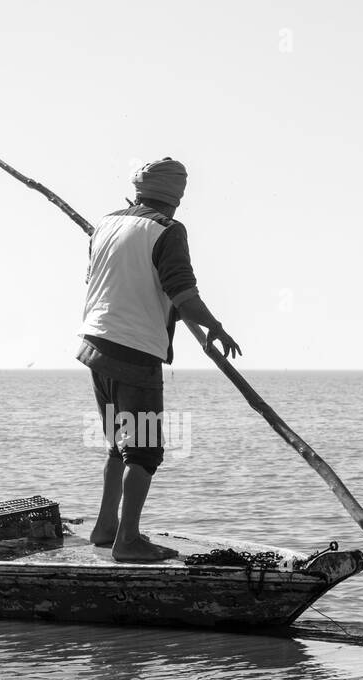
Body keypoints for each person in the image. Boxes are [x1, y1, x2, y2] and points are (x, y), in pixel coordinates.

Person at [76, 157, 241, 562]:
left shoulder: (106, 223)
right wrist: (215, 327)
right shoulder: (168, 231)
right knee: (144, 449)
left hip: (95, 345)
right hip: (134, 354)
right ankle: (127, 541)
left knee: (119, 443)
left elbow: (105, 280)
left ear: (137, 190)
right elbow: (184, 296)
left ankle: (105, 528)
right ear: (177, 199)